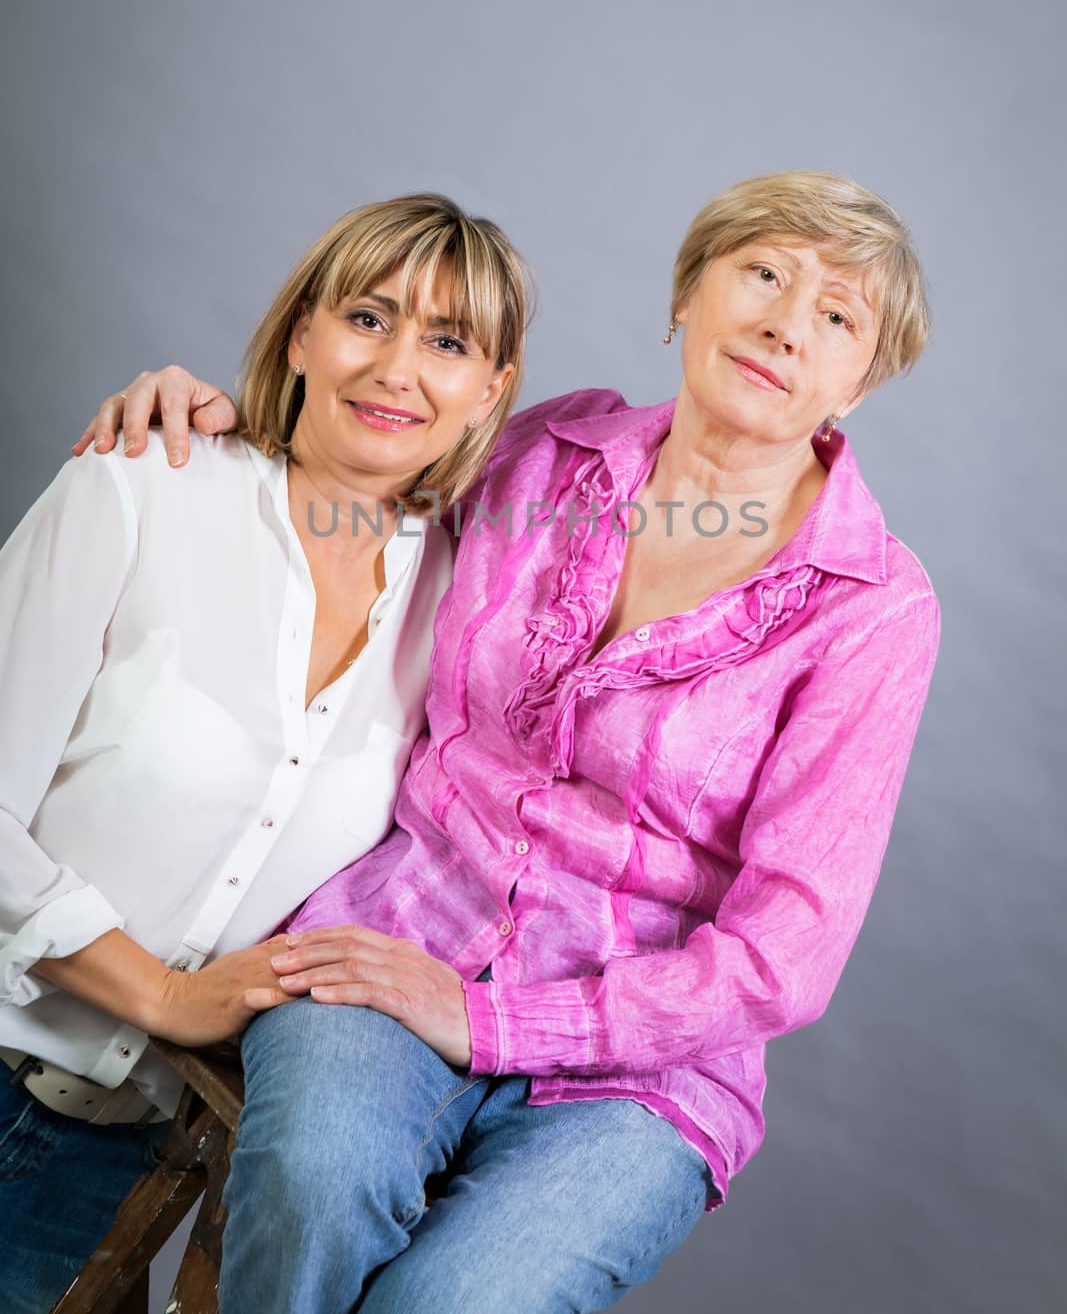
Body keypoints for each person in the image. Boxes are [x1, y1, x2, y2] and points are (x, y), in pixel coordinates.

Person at [84, 170, 940, 1314]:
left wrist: (492, 1019)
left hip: (643, 1070)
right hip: (394, 943)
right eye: (764, 275)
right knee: (313, 1180)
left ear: (858, 381)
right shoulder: (541, 457)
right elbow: (360, 478)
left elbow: (784, 953)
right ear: (686, 295)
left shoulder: (870, 608)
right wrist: (220, 423)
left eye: (837, 316)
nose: (788, 322)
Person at [0, 194, 528, 1314]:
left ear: (491, 390)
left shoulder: (465, 609)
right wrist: (163, 993)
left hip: (128, 1153)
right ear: (300, 334)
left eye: (446, 343)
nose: (396, 367)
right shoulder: (142, 484)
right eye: (367, 318)